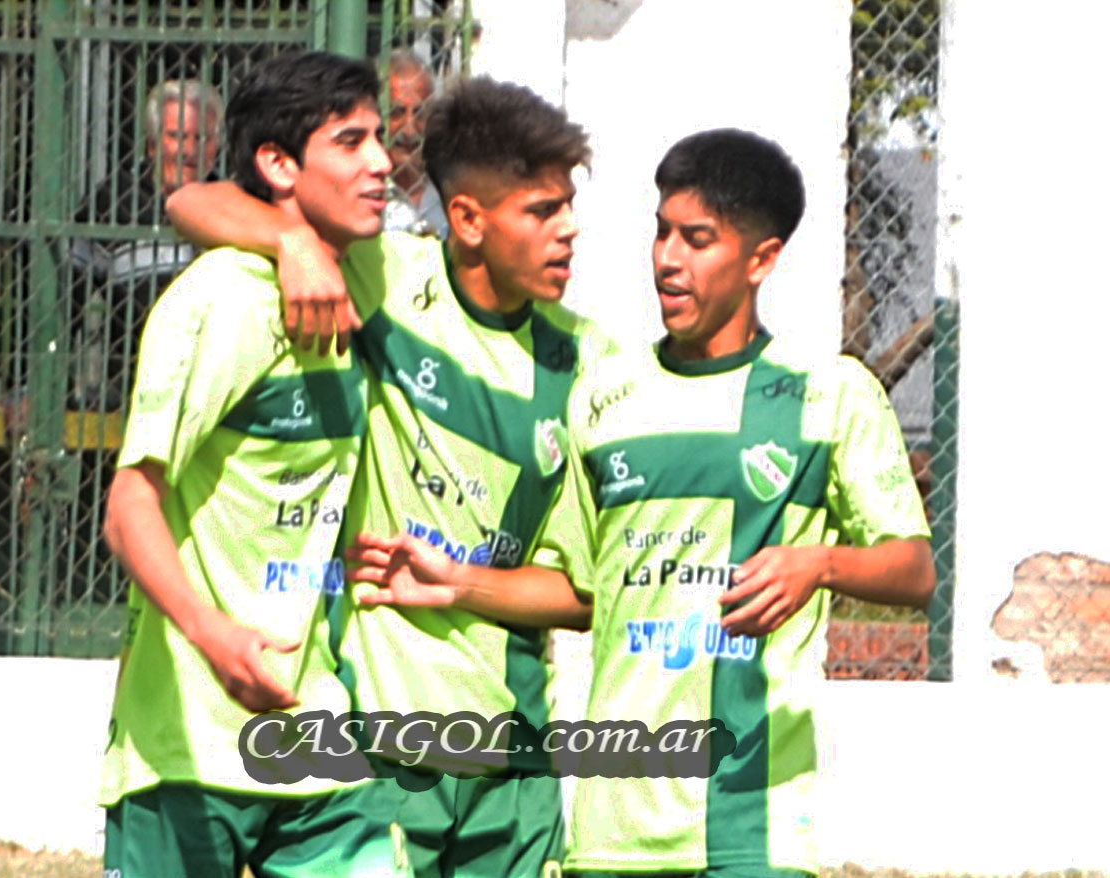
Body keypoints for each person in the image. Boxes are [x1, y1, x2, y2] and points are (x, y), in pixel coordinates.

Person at [349, 129, 936, 877]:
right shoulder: (604, 394)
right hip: (609, 828)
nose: (668, 259)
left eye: (698, 240)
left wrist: (820, 565)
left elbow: (913, 570)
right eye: (662, 232)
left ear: (761, 260)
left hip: (748, 828)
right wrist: (458, 583)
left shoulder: (827, 393)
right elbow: (579, 589)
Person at [166, 74, 603, 878]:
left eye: (568, 207)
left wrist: (460, 585)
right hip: (380, 742)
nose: (569, 230)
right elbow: (192, 201)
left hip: (514, 761)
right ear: (467, 220)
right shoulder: (384, 277)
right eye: (543, 211)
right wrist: (293, 244)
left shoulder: (584, 360)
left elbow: (583, 594)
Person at [99, 51, 406, 878]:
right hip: (187, 740)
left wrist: (296, 237)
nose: (381, 162)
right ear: (278, 164)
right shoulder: (222, 300)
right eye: (351, 142)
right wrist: (213, 635)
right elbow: (129, 505)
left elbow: (192, 198)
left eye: (379, 138)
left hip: (314, 732)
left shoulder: (371, 269)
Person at [69, 78, 223, 410]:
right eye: (176, 137)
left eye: (202, 138)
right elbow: (65, 302)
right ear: (152, 145)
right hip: (138, 390)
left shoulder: (234, 207)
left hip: (217, 391)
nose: (189, 151)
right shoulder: (114, 204)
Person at [380, 49, 447, 238]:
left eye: (420, 113)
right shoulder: (367, 195)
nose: (409, 130)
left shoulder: (448, 187)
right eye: (396, 113)